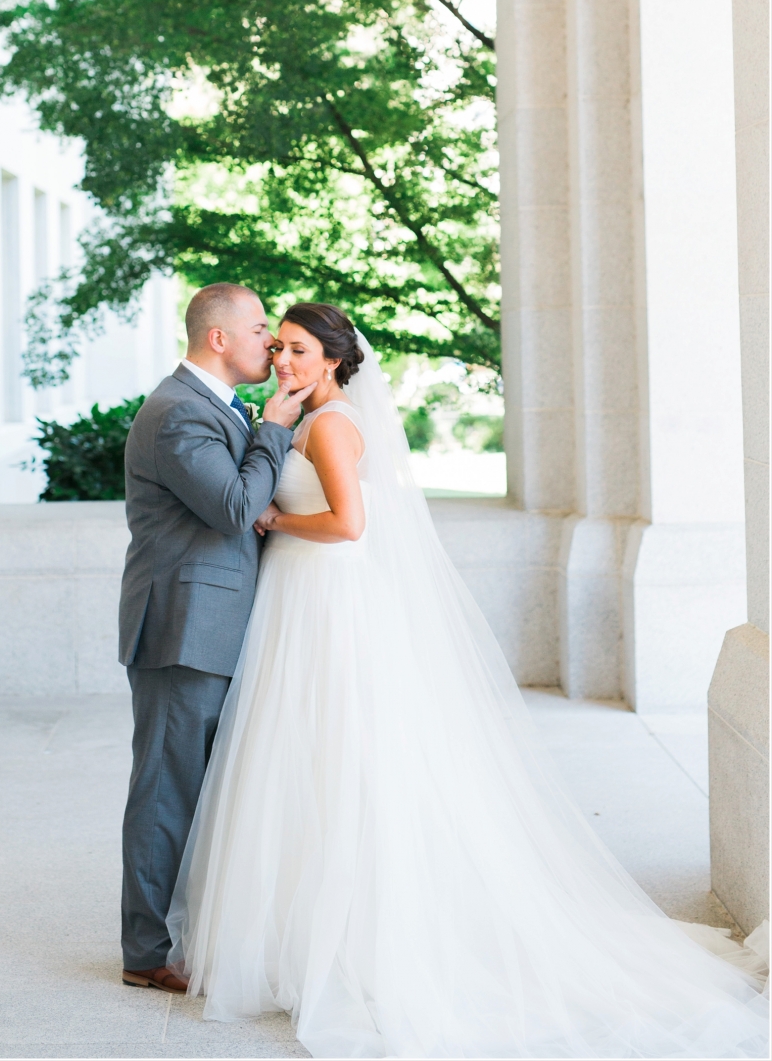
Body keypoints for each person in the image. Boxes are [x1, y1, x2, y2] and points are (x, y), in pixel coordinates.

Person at [167, 302, 769, 1058]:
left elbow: (349, 523)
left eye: (296, 349)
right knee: (302, 761)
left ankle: (348, 938)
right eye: (279, 347)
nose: (282, 359)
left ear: (333, 359)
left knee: (335, 756)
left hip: (328, 599)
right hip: (306, 598)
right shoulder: (307, 416)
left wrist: (275, 523)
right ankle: (299, 928)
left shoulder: (330, 426)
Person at [118, 283, 314, 993]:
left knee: (206, 791)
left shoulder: (211, 407)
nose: (270, 341)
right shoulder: (176, 414)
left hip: (219, 625)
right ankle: (144, 950)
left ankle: (190, 931)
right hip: (184, 630)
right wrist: (274, 428)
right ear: (219, 338)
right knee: (167, 789)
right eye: (261, 327)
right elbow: (234, 506)